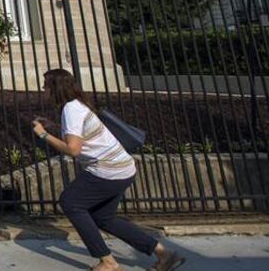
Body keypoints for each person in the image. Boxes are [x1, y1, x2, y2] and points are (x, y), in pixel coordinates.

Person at [32, 68, 185, 271]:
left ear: (55, 88)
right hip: (122, 168)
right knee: (104, 218)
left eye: (46, 86)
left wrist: (43, 135)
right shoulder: (76, 106)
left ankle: (108, 262)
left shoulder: (71, 109)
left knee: (71, 203)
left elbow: (73, 150)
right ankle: (165, 255)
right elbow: (80, 135)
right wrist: (53, 125)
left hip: (108, 170)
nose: (43, 90)